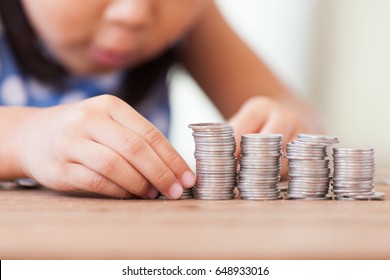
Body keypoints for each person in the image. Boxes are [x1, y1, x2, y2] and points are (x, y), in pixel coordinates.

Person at [0, 0, 322, 200]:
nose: (133, 13)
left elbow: (293, 110)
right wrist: (24, 136)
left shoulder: (192, 15)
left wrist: (286, 126)